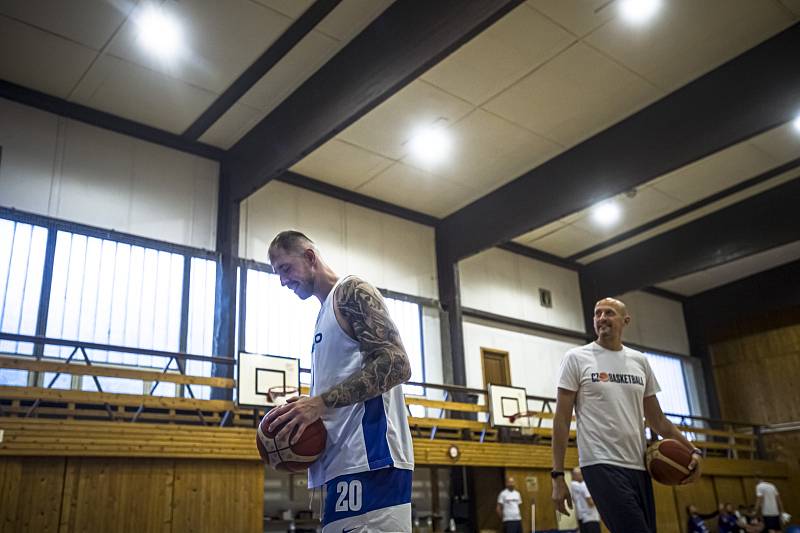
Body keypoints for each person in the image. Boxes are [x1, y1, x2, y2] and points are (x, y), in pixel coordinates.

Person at [262, 231, 414, 532]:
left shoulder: (352, 291)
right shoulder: (323, 314)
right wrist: (306, 407)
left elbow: (397, 364)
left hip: (371, 461)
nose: (282, 281)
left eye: (285, 269)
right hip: (341, 466)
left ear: (309, 257)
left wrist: (319, 402)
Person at [551, 297, 703, 533]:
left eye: (609, 313)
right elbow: (561, 420)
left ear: (626, 320)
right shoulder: (576, 358)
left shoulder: (639, 361)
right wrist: (557, 475)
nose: (602, 318)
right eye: (597, 313)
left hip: (639, 465)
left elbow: (658, 421)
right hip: (600, 462)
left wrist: (693, 450)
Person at [570, 467, 601, 533]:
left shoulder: (575, 486)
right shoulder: (585, 485)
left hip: (582, 517)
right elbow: (591, 503)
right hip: (591, 518)